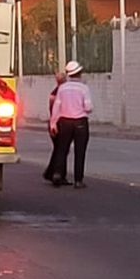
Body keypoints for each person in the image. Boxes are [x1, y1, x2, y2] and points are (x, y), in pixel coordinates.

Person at [49, 60, 92, 188]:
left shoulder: (62, 88)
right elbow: (88, 107)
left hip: (64, 122)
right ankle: (78, 180)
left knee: (62, 149)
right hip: (80, 122)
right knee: (80, 151)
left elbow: (56, 107)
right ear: (79, 73)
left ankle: (57, 174)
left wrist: (53, 124)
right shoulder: (84, 88)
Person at [41, 66, 68, 182]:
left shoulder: (54, 92)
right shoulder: (61, 93)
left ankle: (50, 172)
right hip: (58, 123)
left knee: (58, 149)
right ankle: (57, 174)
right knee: (61, 150)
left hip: (54, 123)